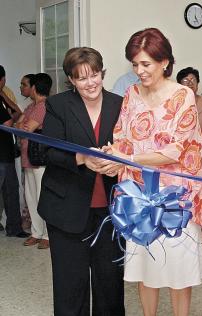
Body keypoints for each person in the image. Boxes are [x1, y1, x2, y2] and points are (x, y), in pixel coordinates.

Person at [105, 28, 202, 316]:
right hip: (138, 198)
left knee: (179, 273)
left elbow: (175, 151)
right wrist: (113, 156)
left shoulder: (182, 95)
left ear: (164, 62)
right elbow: (121, 137)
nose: (139, 71)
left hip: (176, 200)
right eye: (135, 64)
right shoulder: (131, 94)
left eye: (146, 64)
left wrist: (127, 157)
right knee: (144, 269)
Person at [37, 47, 125, 315]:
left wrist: (118, 160)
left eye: (95, 74)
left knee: (110, 285)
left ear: (102, 73)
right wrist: (81, 159)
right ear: (72, 81)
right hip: (66, 209)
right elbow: (44, 151)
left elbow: (132, 149)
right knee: (70, 286)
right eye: (82, 78)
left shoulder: (120, 104)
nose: (91, 83)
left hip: (110, 212)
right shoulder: (58, 105)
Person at [176, 66, 202, 245]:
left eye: (193, 80)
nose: (190, 83)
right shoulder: (175, 103)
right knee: (183, 192)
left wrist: (195, 134)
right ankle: (181, 228)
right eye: (185, 81)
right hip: (179, 157)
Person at [16, 73, 52, 249]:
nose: (25, 89)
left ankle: (47, 235)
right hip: (28, 158)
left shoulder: (43, 106)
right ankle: (36, 232)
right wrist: (23, 125)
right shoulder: (31, 106)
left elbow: (27, 128)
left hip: (40, 159)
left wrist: (24, 125)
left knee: (41, 197)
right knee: (30, 197)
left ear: (35, 88)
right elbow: (18, 126)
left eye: (27, 85)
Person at [0, 77, 28, 239]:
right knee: (10, 191)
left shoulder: (2, 97)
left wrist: (3, 97)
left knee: (10, 190)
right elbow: (9, 121)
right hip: (2, 154)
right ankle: (14, 227)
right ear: (2, 80)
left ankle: (14, 227)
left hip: (6, 153)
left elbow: (17, 112)